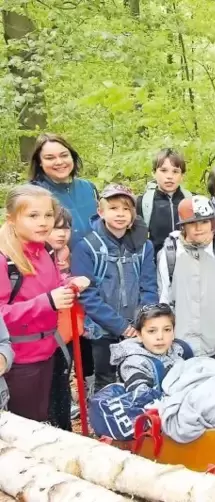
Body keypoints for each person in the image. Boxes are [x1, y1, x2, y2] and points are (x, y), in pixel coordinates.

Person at [0, 185, 89, 421]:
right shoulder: (5, 260)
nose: (43, 222)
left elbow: (50, 284)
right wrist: (47, 302)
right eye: (33, 216)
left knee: (42, 417)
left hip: (48, 350)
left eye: (48, 215)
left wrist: (69, 283)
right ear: (11, 219)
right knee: (24, 425)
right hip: (18, 361)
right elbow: (2, 314)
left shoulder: (45, 251)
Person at [28, 133, 97, 417]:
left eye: (63, 155)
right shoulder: (34, 193)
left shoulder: (87, 188)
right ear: (40, 163)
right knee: (60, 340)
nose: (59, 162)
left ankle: (89, 393)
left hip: (90, 269)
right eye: (50, 157)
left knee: (88, 334)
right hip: (52, 273)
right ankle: (59, 400)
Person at [71, 184, 159, 392]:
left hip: (137, 325)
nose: (120, 214)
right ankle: (106, 416)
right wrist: (120, 326)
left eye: (126, 209)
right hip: (102, 328)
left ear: (133, 214)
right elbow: (88, 295)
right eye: (113, 208)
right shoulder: (87, 247)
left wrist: (142, 321)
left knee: (137, 373)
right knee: (106, 377)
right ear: (101, 212)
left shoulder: (144, 247)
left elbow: (149, 285)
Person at [157, 195, 215, 361]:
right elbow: (164, 299)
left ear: (212, 223)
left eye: (204, 222)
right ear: (183, 226)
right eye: (192, 223)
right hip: (180, 344)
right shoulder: (170, 254)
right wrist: (165, 334)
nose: (199, 228)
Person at [109, 303, 193, 393]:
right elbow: (140, 394)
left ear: (173, 333)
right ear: (139, 335)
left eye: (167, 330)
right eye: (152, 331)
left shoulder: (181, 350)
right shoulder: (133, 363)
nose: (160, 337)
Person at [46, 205, 75, 430]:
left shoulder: (66, 255)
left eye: (66, 228)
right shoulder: (37, 258)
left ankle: (63, 426)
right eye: (56, 228)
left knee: (62, 380)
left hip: (65, 331)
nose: (62, 233)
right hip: (43, 334)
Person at [137, 148, 192, 255]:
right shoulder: (143, 203)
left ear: (182, 176)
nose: (169, 176)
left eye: (175, 171)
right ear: (154, 173)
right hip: (154, 266)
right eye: (163, 170)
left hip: (187, 264)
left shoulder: (190, 201)